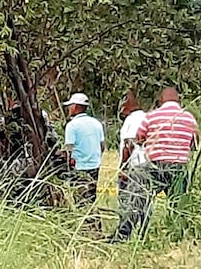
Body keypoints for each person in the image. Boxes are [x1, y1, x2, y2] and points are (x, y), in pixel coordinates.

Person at [136, 86, 199, 206]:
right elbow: (195, 142)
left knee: (145, 198)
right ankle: (174, 223)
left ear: (161, 100)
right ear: (179, 101)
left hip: (155, 165)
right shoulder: (189, 118)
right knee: (178, 204)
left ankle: (143, 222)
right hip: (179, 166)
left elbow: (139, 139)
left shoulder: (151, 116)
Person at [109, 91, 151, 242]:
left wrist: (123, 168)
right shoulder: (146, 117)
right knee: (143, 202)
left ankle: (123, 235)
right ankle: (143, 234)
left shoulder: (132, 120)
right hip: (146, 165)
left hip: (134, 166)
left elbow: (128, 145)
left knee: (128, 202)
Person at [62, 92, 105, 233]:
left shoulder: (72, 126)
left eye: (70, 106)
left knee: (81, 200)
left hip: (79, 167)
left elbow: (69, 149)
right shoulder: (96, 123)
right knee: (91, 197)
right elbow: (102, 146)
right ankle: (96, 228)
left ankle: (88, 230)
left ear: (75, 107)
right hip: (95, 165)